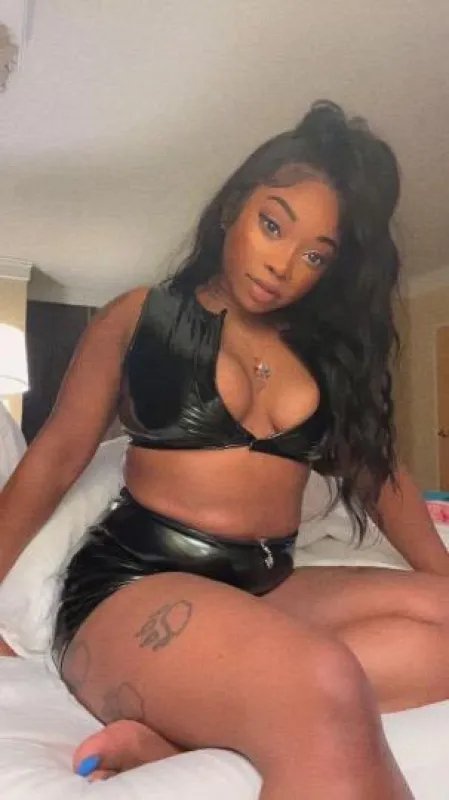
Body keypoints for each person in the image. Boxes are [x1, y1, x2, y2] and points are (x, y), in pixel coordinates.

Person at [1, 100, 449, 798]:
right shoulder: (143, 316)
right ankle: (245, 699)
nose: (283, 265)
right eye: (272, 224)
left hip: (266, 586)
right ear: (233, 208)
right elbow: (54, 460)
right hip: (137, 588)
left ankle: (179, 735)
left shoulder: (321, 353)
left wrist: (441, 577)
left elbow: (378, 475)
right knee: (322, 677)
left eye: (314, 255)